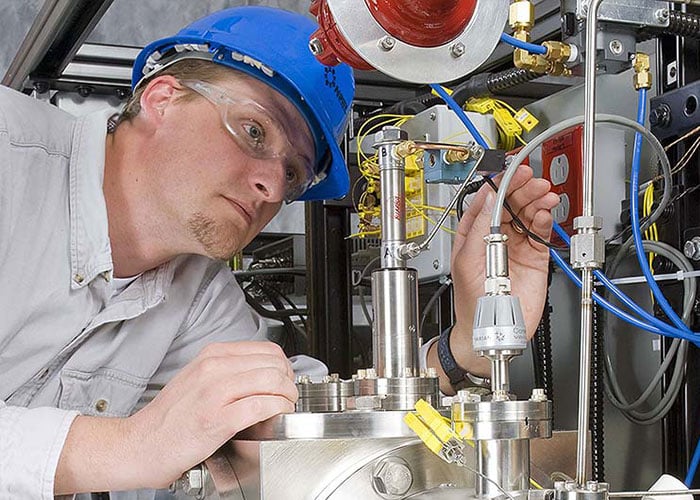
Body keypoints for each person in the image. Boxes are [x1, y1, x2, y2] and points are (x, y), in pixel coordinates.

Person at [0, 5, 559, 498]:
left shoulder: (197, 297)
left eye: (293, 173)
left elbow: (300, 420)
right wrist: (131, 446)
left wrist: (471, 346)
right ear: (162, 98)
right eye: (253, 132)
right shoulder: (9, 156)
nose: (272, 187)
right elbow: (139, 447)